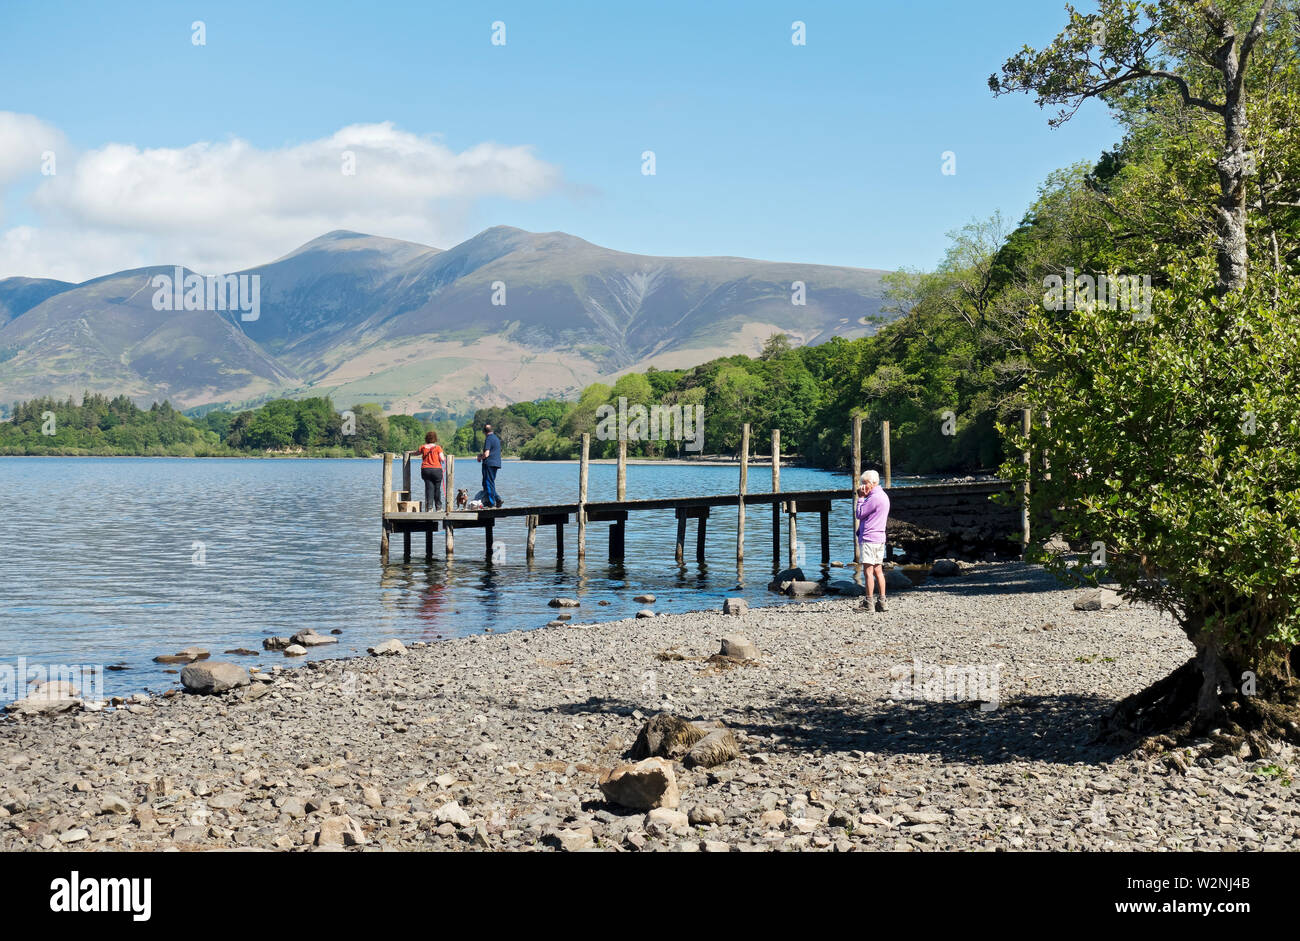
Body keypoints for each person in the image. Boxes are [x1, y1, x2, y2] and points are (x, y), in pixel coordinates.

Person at [855, 469, 890, 612]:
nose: (863, 487)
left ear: (873, 483)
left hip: (869, 538)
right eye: (862, 484)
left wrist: (860, 498)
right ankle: (882, 601)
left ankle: (868, 603)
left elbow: (859, 514)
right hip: (879, 537)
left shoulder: (874, 498)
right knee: (878, 571)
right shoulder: (883, 496)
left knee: (868, 572)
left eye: (865, 483)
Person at [408, 430, 445, 511]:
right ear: (435, 439)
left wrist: (409, 453)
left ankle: (429, 508)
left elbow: (416, 453)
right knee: (437, 489)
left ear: (426, 439)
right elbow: (442, 459)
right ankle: (438, 508)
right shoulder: (438, 448)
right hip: (436, 470)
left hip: (426, 470)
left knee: (429, 489)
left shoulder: (423, 447)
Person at [477, 423, 504, 508]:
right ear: (491, 430)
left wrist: (480, 457)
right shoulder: (496, 438)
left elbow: (487, 454)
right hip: (496, 463)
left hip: (489, 463)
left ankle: (491, 503)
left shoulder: (488, 439)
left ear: (484, 431)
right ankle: (497, 499)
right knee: (490, 483)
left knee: (487, 483)